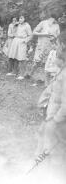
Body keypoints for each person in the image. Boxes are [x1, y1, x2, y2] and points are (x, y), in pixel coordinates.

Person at [36, 34, 66, 181]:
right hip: (50, 116)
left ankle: (55, 178)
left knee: (56, 152)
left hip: (57, 121)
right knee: (44, 143)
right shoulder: (61, 71)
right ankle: (43, 173)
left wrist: (54, 120)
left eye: (59, 46)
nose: (54, 58)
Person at [27, 15, 60, 84]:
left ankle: (42, 79)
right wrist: (44, 34)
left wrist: (54, 37)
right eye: (52, 19)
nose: (53, 21)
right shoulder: (43, 23)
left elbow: (58, 36)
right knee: (37, 62)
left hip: (50, 46)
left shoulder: (56, 25)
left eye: (54, 19)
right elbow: (34, 32)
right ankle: (31, 76)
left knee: (46, 63)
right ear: (50, 18)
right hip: (41, 45)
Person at [6, 15, 32, 80]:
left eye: (21, 18)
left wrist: (25, 40)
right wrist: (15, 24)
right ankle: (14, 72)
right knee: (14, 57)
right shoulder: (18, 25)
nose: (20, 19)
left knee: (21, 58)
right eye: (19, 18)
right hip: (16, 41)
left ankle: (22, 74)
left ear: (25, 19)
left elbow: (30, 35)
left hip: (22, 41)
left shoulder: (27, 26)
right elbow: (12, 29)